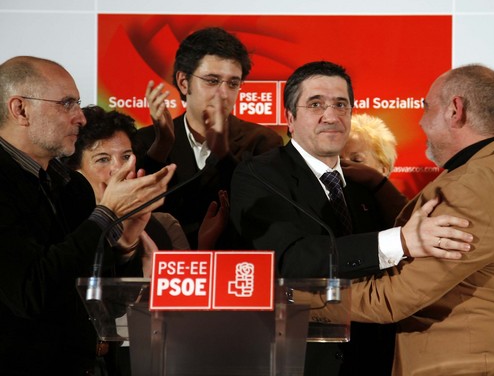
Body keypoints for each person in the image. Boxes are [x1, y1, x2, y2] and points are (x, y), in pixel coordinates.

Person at [230, 61, 474, 375]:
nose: (331, 116)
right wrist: (399, 241)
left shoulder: (364, 187)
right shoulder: (260, 175)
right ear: (290, 118)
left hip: (372, 359)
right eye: (315, 104)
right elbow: (291, 260)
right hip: (302, 362)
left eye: (341, 105)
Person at [350, 64, 494, 375]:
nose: (420, 121)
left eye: (426, 107)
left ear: (455, 110)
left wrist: (300, 297)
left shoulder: (470, 190)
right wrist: (377, 184)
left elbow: (393, 298)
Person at [0, 56, 175, 375]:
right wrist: (107, 212)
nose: (79, 118)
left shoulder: (70, 186)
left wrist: (126, 243)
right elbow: (30, 293)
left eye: (78, 104)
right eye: (66, 103)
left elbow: (103, 302)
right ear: (20, 109)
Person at [137, 26, 282, 249]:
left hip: (238, 263)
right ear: (184, 82)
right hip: (165, 265)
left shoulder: (262, 141)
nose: (223, 94)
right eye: (212, 81)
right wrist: (162, 146)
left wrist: (223, 155)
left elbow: (262, 213)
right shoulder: (148, 142)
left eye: (233, 83)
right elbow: (137, 211)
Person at [63, 106, 227, 267]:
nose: (120, 168)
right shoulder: (63, 229)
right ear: (75, 169)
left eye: (126, 157)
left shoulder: (164, 226)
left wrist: (205, 248)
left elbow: (187, 282)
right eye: (103, 159)